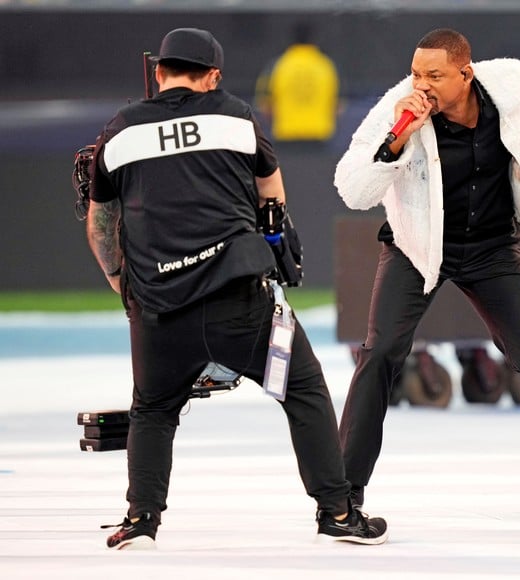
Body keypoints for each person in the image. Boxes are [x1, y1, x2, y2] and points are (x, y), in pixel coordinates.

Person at [86, 27, 387, 549]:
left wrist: (122, 284)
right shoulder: (235, 117)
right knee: (303, 391)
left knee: (153, 411)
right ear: (215, 76)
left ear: (158, 72)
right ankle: (337, 513)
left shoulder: (121, 129)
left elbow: (99, 223)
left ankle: (141, 519)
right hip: (239, 300)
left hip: (160, 308)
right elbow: (271, 193)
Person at [333, 28, 520, 521]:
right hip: (418, 247)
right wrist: (398, 139)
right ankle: (344, 495)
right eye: (416, 73)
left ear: (466, 73)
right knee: (379, 357)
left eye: (434, 75)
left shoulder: (513, 85)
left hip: (493, 247)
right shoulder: (399, 109)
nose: (422, 84)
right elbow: (352, 191)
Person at [255, 23, 339, 143]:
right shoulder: (326, 66)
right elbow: (338, 106)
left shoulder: (277, 65)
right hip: (319, 136)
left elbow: (264, 104)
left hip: (286, 134)